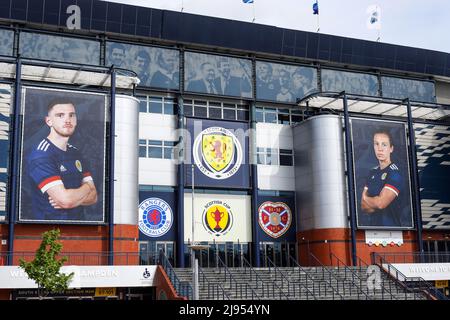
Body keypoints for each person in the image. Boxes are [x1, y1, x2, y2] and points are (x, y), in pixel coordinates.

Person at [25, 100, 97, 221]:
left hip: (78, 229)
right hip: (49, 231)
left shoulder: (76, 153)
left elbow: (94, 197)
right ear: (49, 121)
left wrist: (72, 199)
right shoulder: (41, 154)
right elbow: (66, 201)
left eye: (71, 115)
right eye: (60, 115)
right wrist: (87, 188)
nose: (67, 120)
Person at [360, 129, 404, 227]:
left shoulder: (395, 173)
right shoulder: (373, 172)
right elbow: (363, 206)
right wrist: (375, 201)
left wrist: (367, 198)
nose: (380, 149)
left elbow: (380, 203)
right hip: (372, 230)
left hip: (392, 231)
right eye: (376, 144)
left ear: (391, 148)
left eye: (384, 145)